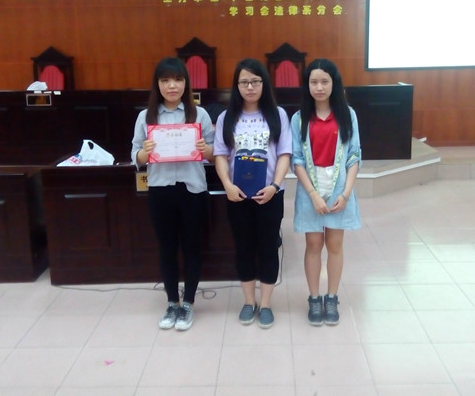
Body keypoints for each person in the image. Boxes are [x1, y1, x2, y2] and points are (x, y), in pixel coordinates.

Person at [131, 57, 214, 331]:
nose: (172, 86)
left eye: (177, 80)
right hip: (161, 190)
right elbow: (136, 156)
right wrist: (145, 151)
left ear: (185, 83)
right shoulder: (146, 117)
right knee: (167, 248)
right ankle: (171, 302)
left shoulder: (199, 115)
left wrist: (205, 149)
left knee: (192, 247)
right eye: (165, 80)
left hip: (193, 190)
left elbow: (215, 154)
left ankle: (188, 303)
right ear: (157, 84)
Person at [213, 58, 292, 329]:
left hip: (270, 194)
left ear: (264, 84)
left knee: (269, 247)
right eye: (244, 82)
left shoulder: (278, 115)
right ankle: (249, 302)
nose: (250, 87)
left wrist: (275, 186)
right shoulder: (226, 118)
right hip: (237, 195)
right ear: (236, 86)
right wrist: (227, 184)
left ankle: (266, 304)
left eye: (255, 82)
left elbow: (284, 154)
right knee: (244, 248)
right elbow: (220, 155)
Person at [290, 58, 361, 326]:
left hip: (339, 188)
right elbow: (297, 159)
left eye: (324, 82)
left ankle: (331, 297)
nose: (319, 87)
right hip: (311, 188)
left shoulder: (347, 114)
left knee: (335, 245)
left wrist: (346, 193)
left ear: (334, 83)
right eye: (313, 82)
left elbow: (354, 155)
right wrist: (313, 194)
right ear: (307, 85)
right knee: (313, 245)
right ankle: (314, 297)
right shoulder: (299, 118)